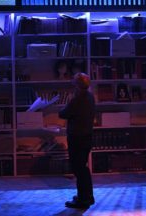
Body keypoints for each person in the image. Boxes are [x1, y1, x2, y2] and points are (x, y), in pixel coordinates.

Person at [58, 72, 95, 209]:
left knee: (78, 169)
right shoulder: (90, 97)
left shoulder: (76, 99)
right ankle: (87, 196)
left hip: (77, 137)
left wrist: (66, 103)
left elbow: (63, 114)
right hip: (87, 136)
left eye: (74, 81)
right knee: (83, 168)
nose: (72, 83)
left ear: (77, 85)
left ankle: (82, 200)